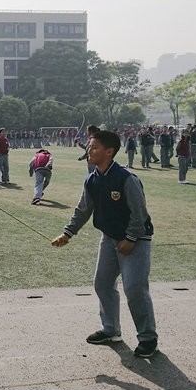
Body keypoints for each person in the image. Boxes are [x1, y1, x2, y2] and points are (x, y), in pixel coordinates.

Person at [51, 130, 158, 359]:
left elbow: (139, 214)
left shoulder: (125, 178)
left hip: (136, 240)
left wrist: (130, 239)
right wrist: (67, 234)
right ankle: (111, 330)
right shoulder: (92, 179)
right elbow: (83, 210)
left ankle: (148, 338)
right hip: (109, 238)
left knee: (135, 289)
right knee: (102, 283)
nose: (89, 151)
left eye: (94, 148)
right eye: (89, 147)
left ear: (109, 151)